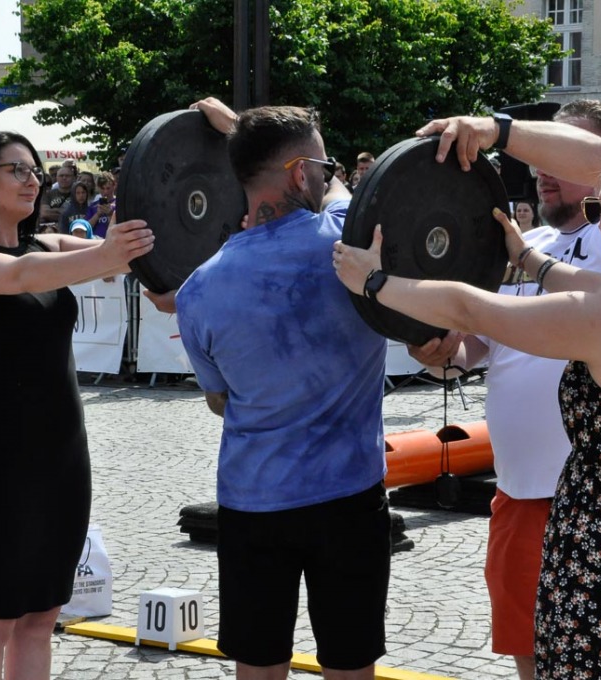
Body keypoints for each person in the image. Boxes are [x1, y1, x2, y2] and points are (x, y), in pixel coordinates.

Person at [334, 116, 601, 677]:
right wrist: (525, 258)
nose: (595, 220)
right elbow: (591, 285)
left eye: (600, 209)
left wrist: (375, 282)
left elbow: (471, 308)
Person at [400, 100, 601, 680]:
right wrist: (437, 354)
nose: (540, 167)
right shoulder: (521, 243)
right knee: (529, 653)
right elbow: (473, 352)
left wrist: (500, 131)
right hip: (516, 494)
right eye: (537, 151)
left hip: (599, 502)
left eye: (557, 150)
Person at [175, 98, 389, 680]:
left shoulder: (198, 289)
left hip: (254, 502)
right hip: (349, 495)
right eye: (322, 164)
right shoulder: (348, 242)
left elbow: (219, 399)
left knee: (259, 665)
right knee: (351, 666)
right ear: (300, 174)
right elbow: (343, 193)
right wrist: (241, 124)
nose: (327, 173)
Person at [0, 129, 153, 680]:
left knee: (42, 617)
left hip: (63, 455)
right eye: (17, 170)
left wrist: (220, 142)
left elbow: (137, 251)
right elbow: (20, 276)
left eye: (35, 170)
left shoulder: (46, 245)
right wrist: (107, 252)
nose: (33, 180)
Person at [86, 172, 118, 238]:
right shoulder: (93, 206)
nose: (105, 192)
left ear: (114, 186)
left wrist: (110, 214)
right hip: (95, 241)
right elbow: (86, 228)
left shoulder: (119, 204)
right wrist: (97, 215)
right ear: (98, 188)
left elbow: (120, 227)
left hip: (112, 240)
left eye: (108, 188)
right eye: (102, 188)